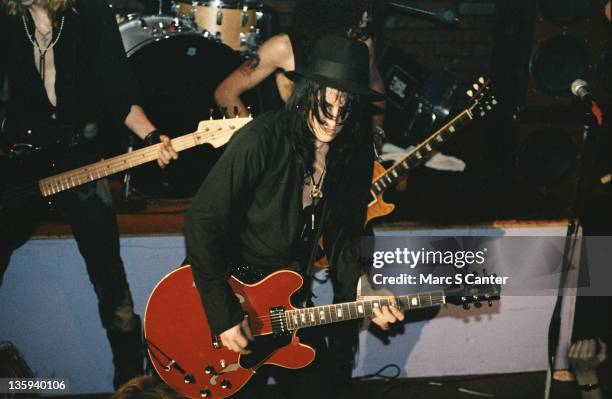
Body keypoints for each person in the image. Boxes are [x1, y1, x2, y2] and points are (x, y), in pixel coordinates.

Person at [184, 35, 403, 398]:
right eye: (326, 107)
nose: (334, 121)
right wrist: (222, 313)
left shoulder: (354, 153)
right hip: (233, 292)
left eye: (345, 110)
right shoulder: (263, 138)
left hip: (289, 301)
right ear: (306, 93)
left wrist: (364, 290)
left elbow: (345, 237)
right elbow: (202, 219)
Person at [0, 0, 174, 388]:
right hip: (18, 166)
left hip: (80, 163)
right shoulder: (7, 17)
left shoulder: (90, 14)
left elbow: (119, 92)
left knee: (113, 289)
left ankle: (131, 385)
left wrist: (150, 137)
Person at [212, 0, 385, 122]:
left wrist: (375, 141)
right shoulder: (282, 47)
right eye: (360, 8)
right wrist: (255, 142)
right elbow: (225, 93)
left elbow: (374, 85)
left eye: (369, 9)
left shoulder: (361, 45)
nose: (367, 17)